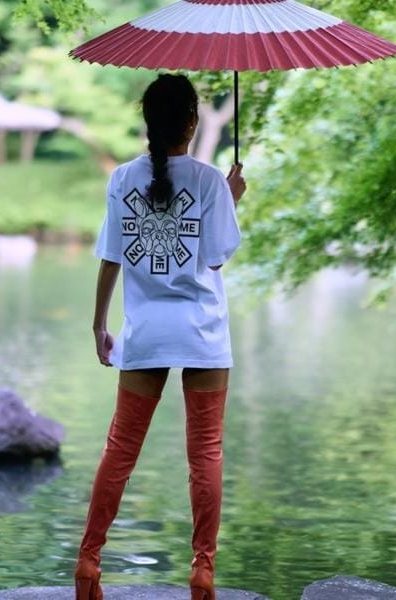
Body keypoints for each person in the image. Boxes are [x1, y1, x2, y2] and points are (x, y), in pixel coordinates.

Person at [74, 73, 246, 600]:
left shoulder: (123, 178)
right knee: (206, 453)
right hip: (202, 332)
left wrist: (100, 325)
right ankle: (203, 569)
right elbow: (213, 256)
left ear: (149, 121)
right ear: (192, 122)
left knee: (120, 449)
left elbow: (111, 257)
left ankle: (88, 560)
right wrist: (231, 198)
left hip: (145, 332)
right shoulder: (210, 181)